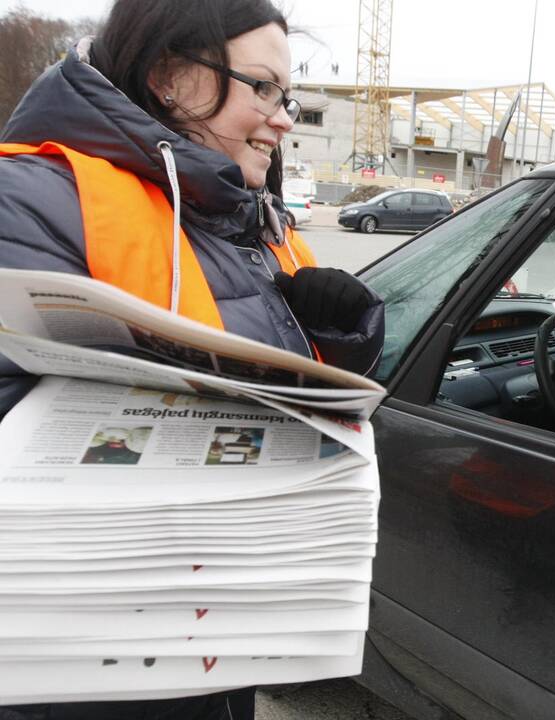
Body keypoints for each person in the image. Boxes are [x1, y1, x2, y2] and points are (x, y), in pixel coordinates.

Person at [0, 0, 384, 717]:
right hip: (84, 653)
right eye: (262, 87)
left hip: (212, 622)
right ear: (170, 75)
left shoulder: (247, 215)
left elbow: (302, 391)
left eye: (287, 95)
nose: (283, 116)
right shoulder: (32, 195)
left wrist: (335, 341)